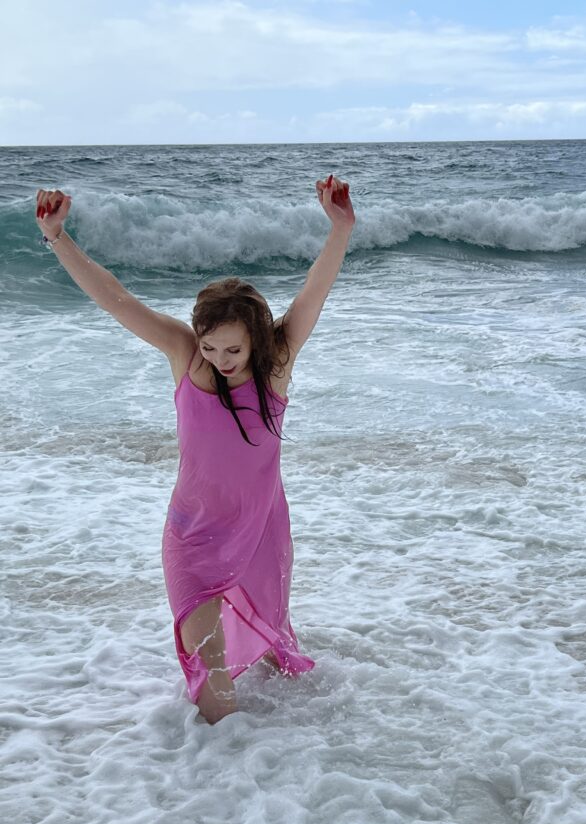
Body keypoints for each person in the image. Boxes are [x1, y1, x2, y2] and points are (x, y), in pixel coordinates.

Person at [35, 175, 355, 724]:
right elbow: (116, 300)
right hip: (192, 530)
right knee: (206, 654)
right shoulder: (185, 356)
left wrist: (341, 227)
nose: (222, 358)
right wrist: (57, 237)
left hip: (259, 529)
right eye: (211, 345)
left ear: (257, 339)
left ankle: (287, 769)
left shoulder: (276, 365)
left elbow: (313, 290)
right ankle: (215, 770)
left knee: (274, 644)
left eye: (233, 348)